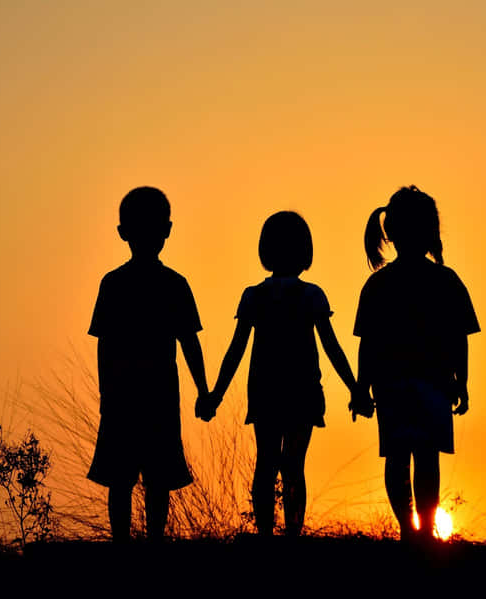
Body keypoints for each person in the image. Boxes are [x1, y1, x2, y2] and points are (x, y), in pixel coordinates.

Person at [200, 211, 360, 536]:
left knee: (267, 462)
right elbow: (331, 347)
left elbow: (236, 350)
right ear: (305, 252)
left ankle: (265, 535)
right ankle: (292, 534)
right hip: (302, 391)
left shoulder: (254, 296)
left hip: (266, 391)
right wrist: (355, 387)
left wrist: (215, 394)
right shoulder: (312, 295)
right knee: (294, 466)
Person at [353, 185, 480, 543]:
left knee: (397, 457)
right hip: (434, 384)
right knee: (427, 458)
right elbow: (460, 339)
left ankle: (410, 530)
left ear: (390, 232)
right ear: (431, 232)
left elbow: (368, 344)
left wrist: (363, 387)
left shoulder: (378, 285)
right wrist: (462, 382)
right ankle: (422, 532)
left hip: (392, 384)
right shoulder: (446, 281)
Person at [87, 186, 211, 543]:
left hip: (125, 396)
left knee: (124, 477)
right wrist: (203, 391)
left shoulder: (115, 284)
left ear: (122, 232)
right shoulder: (172, 284)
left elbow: (105, 346)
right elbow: (190, 343)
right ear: (168, 230)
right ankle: (150, 542)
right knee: (152, 479)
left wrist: (106, 390)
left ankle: (124, 544)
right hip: (155, 396)